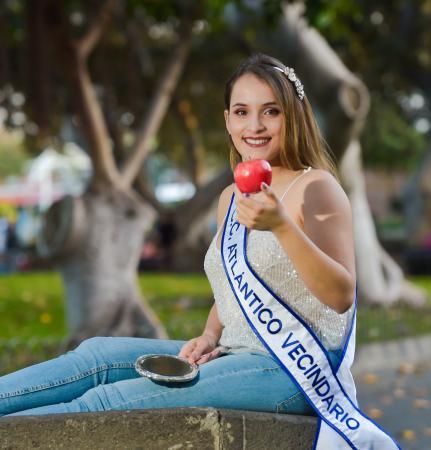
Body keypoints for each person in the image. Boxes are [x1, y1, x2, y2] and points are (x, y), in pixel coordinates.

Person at [0, 53, 397, 447]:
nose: (254, 126)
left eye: (271, 111)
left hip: (290, 372)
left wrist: (282, 226)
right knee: (96, 356)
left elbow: (341, 294)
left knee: (108, 402)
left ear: (293, 116)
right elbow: (234, 281)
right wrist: (209, 334)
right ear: (227, 120)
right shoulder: (231, 196)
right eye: (241, 112)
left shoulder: (317, 188)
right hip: (232, 354)